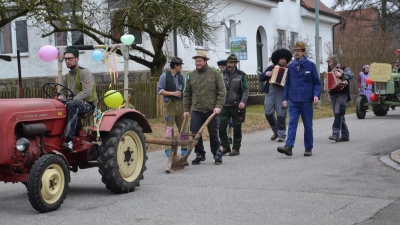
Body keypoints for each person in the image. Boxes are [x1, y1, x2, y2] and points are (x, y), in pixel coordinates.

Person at [277, 42, 321, 157]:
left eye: (298, 51)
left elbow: (317, 83)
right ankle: (289, 147)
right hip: (294, 100)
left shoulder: (310, 66)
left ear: (303, 52)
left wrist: (316, 95)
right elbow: (287, 83)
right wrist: (285, 98)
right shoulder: (291, 66)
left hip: (306, 100)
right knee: (292, 123)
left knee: (307, 125)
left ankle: (308, 148)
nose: (296, 53)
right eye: (295, 51)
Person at [183, 50, 226, 165]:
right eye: (196, 61)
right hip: (197, 109)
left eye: (200, 61)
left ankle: (217, 154)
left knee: (213, 133)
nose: (198, 63)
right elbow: (187, 94)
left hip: (212, 110)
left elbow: (222, 91)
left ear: (205, 61)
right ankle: (200, 154)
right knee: (195, 133)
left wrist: (218, 106)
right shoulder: (191, 75)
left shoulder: (215, 73)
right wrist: (186, 109)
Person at [59, 46, 98, 152]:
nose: (67, 61)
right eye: (66, 59)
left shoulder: (84, 73)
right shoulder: (66, 76)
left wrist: (71, 101)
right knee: (57, 105)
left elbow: (86, 92)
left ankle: (69, 140)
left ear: (77, 59)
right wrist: (61, 99)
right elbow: (62, 93)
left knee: (72, 105)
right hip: (72, 102)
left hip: (88, 103)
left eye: (70, 58)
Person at [157, 57, 189, 157]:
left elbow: (185, 89)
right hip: (170, 104)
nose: (181, 67)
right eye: (180, 65)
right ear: (175, 66)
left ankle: (184, 148)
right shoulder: (164, 76)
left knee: (184, 126)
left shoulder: (182, 77)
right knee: (169, 127)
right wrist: (172, 93)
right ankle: (168, 148)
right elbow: (160, 91)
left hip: (181, 104)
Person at [260, 49, 292, 143]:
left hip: (282, 92)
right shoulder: (272, 67)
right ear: (277, 59)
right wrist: (267, 74)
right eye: (282, 59)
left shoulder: (289, 69)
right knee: (268, 112)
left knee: (281, 114)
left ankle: (282, 134)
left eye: (285, 59)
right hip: (271, 90)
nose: (283, 61)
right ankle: (276, 130)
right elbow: (261, 78)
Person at [219, 54, 249, 156]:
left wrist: (243, 102)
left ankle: (236, 148)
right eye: (228, 63)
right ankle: (226, 146)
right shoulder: (222, 74)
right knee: (221, 127)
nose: (229, 65)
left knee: (237, 128)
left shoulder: (241, 75)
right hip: (224, 105)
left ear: (236, 64)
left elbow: (245, 90)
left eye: (231, 63)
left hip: (237, 105)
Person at [326, 54, 354, 142]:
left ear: (334, 61)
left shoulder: (344, 68)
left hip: (343, 94)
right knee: (339, 115)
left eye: (330, 62)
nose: (329, 64)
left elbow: (351, 75)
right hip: (334, 95)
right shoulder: (329, 71)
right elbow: (328, 83)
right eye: (328, 62)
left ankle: (335, 134)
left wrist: (341, 73)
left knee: (338, 113)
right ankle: (345, 135)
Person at [217, 60, 233, 144]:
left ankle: (230, 135)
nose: (222, 69)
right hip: (220, 101)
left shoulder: (229, 75)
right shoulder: (217, 75)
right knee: (221, 121)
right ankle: (223, 137)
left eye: (224, 67)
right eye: (221, 67)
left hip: (228, 101)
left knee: (229, 121)